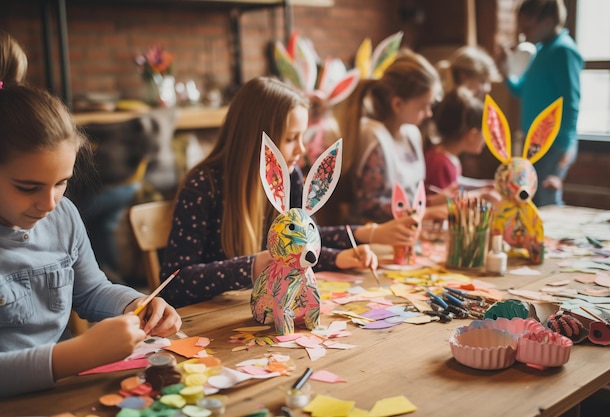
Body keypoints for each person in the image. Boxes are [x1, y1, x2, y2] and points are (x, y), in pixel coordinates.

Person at [0, 82, 182, 403]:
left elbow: (91, 291)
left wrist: (136, 305)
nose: (49, 203)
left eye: (61, 182)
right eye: (27, 187)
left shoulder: (63, 214)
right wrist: (82, 353)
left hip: (65, 394)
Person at [161, 76, 420, 308]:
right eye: (290, 138)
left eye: (302, 137)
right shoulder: (203, 186)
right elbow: (173, 282)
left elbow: (304, 241)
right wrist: (252, 266)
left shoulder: (290, 175)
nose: (302, 150)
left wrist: (341, 256)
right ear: (257, 139)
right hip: (214, 322)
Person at [332, 48, 449, 226]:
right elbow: (371, 205)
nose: (429, 114)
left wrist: (434, 200)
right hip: (376, 236)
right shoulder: (374, 138)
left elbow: (409, 191)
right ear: (398, 104)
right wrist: (426, 210)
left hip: (408, 228)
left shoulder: (411, 133)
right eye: (423, 106)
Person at [498, 0, 583, 207]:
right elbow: (520, 90)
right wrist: (505, 70)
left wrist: (565, 146)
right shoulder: (541, 51)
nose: (524, 35)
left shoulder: (563, 51)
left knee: (546, 198)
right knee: (530, 198)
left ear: (548, 21)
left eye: (527, 28)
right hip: (534, 142)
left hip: (555, 142)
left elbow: (571, 101)